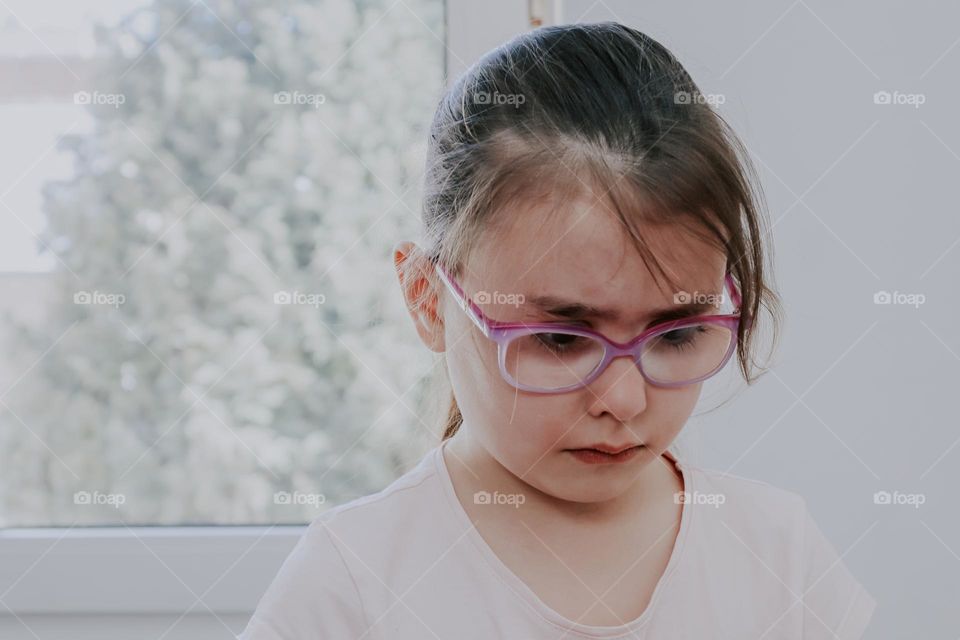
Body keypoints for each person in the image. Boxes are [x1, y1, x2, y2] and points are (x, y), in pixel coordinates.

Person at [238, 21, 877, 639]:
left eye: (675, 334)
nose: (624, 402)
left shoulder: (777, 555)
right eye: (561, 340)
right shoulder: (351, 582)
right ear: (428, 299)